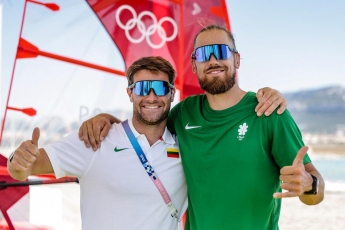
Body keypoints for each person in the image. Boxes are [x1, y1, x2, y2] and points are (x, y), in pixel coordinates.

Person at [79, 25, 325, 230]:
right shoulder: (184, 112)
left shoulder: (269, 112)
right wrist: (106, 118)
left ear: (236, 59)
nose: (212, 60)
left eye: (220, 51)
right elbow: (144, 127)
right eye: (203, 54)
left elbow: (315, 193)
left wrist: (308, 184)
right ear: (194, 65)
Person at [7, 57, 189, 230]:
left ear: (172, 93)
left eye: (160, 88)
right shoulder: (95, 139)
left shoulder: (187, 149)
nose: (151, 97)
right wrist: (18, 160)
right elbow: (21, 170)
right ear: (130, 93)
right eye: (142, 88)